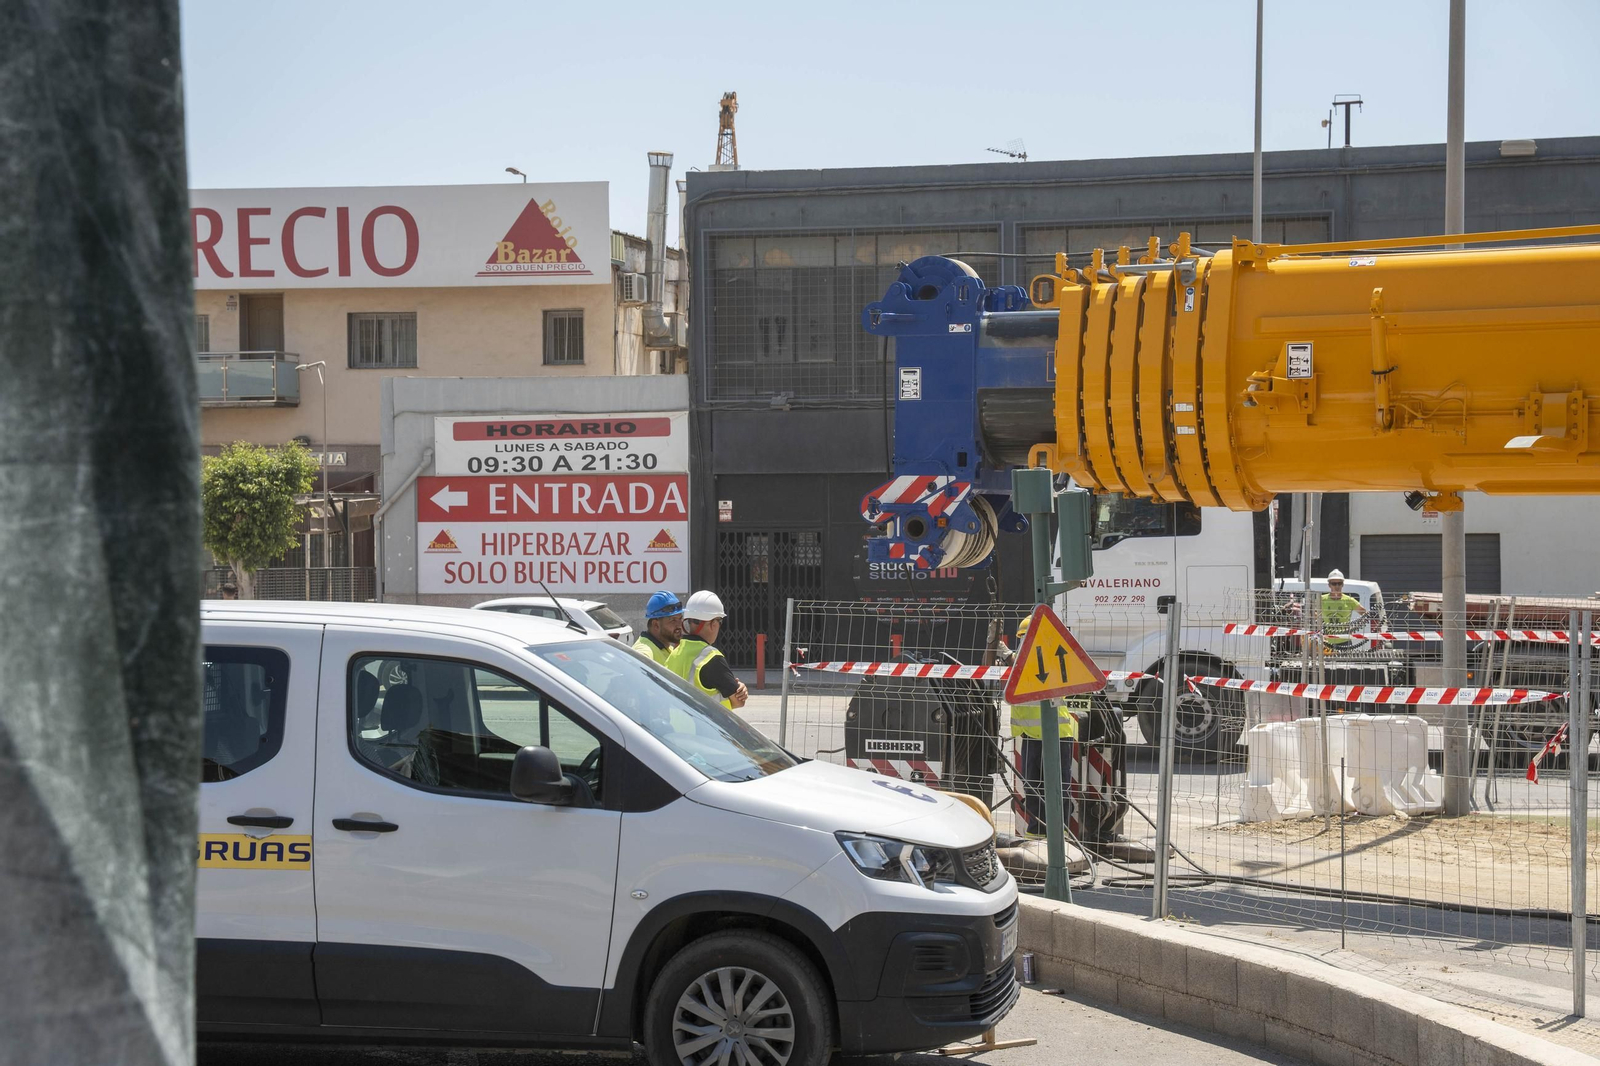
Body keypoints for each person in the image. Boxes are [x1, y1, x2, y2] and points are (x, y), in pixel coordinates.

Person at [1007, 617, 1080, 839]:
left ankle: (1057, 834)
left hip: (1056, 734)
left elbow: (1032, 670)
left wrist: (1009, 657)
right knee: (1032, 786)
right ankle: (1037, 832)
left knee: (1057, 789)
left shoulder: (1054, 659)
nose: (1023, 646)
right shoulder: (1027, 661)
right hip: (1030, 734)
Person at [666, 591, 748, 711]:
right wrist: (739, 688)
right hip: (702, 729)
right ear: (713, 623)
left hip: (674, 727)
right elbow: (739, 701)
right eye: (719, 621)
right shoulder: (712, 658)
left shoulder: (673, 654)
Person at [1318, 568, 1368, 647]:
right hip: (1326, 641)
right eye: (1334, 584)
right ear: (1329, 585)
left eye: (1339, 583)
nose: (1337, 586)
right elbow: (1311, 614)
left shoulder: (1349, 600)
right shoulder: (1321, 600)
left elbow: (1365, 614)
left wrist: (1357, 625)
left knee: (1344, 660)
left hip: (1345, 641)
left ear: (1343, 584)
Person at [632, 591, 684, 665]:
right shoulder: (644, 651)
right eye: (673, 620)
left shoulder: (667, 647)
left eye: (680, 619)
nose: (679, 625)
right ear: (656, 625)